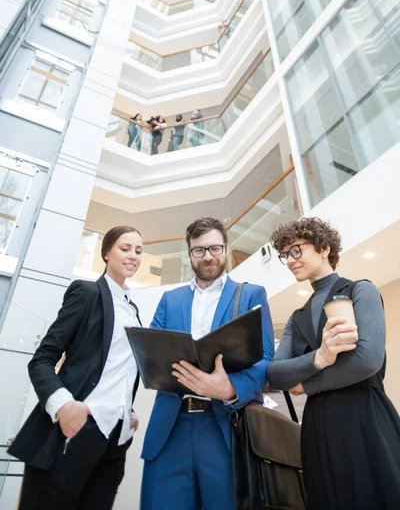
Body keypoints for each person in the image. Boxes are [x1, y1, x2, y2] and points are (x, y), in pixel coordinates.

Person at [140, 217, 274, 510]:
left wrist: (229, 388)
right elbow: (150, 356)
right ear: (189, 253)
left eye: (214, 248)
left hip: (225, 427)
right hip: (170, 427)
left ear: (226, 248)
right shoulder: (169, 299)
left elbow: (266, 360)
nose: (208, 256)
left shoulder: (251, 294)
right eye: (199, 250)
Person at [268, 217, 400, 510]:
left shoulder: (360, 290)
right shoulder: (296, 317)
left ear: (324, 248)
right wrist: (319, 357)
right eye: (284, 255)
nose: (289, 261)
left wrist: (307, 383)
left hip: (364, 415)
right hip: (316, 426)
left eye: (296, 250)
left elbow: (367, 360)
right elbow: (275, 374)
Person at [8, 226, 144, 510]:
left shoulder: (134, 312)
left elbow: (119, 372)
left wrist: (127, 411)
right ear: (106, 253)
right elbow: (42, 359)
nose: (133, 255)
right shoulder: (88, 292)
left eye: (138, 251)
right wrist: (63, 406)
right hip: (77, 427)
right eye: (125, 248)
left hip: (115, 440)